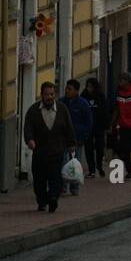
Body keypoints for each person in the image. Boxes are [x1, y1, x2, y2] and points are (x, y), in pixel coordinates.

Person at [24, 82, 76, 214]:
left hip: (57, 151)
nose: (49, 97)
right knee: (39, 180)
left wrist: (71, 144)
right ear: (41, 95)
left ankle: (53, 199)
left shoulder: (62, 109)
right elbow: (28, 127)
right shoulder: (33, 111)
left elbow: (69, 128)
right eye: (46, 94)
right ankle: (42, 201)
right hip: (40, 152)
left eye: (52, 94)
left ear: (55, 95)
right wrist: (30, 140)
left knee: (55, 178)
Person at [59, 79, 93, 195]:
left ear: (76, 91)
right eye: (66, 88)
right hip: (62, 138)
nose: (67, 91)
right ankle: (62, 187)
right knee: (62, 163)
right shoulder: (61, 103)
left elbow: (88, 122)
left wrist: (83, 136)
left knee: (75, 164)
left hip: (77, 138)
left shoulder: (82, 104)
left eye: (70, 89)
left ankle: (75, 188)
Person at [82, 78, 108, 178]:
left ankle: (99, 166)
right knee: (88, 148)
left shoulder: (100, 96)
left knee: (99, 147)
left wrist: (106, 125)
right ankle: (91, 169)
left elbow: (104, 110)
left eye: (91, 87)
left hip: (99, 126)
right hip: (88, 127)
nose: (89, 89)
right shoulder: (84, 96)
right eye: (88, 86)